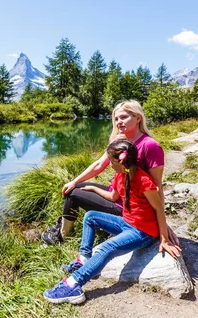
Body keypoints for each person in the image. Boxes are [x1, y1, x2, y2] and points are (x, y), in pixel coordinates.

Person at [43, 138, 181, 304]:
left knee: (107, 248)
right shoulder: (120, 175)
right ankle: (84, 259)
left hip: (143, 233)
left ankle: (73, 285)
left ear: (121, 162)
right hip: (127, 223)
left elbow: (159, 208)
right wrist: (93, 188)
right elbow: (113, 196)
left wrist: (164, 238)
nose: (109, 164)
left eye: (111, 161)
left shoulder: (144, 181)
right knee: (91, 217)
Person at [41, 100, 179, 247]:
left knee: (74, 195)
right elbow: (99, 164)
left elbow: (157, 187)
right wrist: (74, 181)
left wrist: (162, 223)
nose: (119, 122)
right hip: (117, 194)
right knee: (76, 187)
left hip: (128, 207)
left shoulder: (150, 146)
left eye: (124, 117)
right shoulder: (121, 141)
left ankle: (61, 237)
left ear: (138, 118)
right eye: (116, 118)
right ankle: (63, 226)